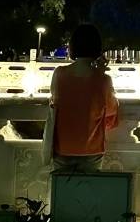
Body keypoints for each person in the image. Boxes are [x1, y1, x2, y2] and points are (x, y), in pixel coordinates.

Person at [49, 24, 119, 173]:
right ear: (97, 48)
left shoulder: (59, 74)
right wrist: (99, 73)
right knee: (88, 187)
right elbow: (111, 109)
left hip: (63, 146)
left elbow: (55, 100)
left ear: (72, 46)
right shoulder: (104, 80)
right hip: (91, 149)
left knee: (61, 187)